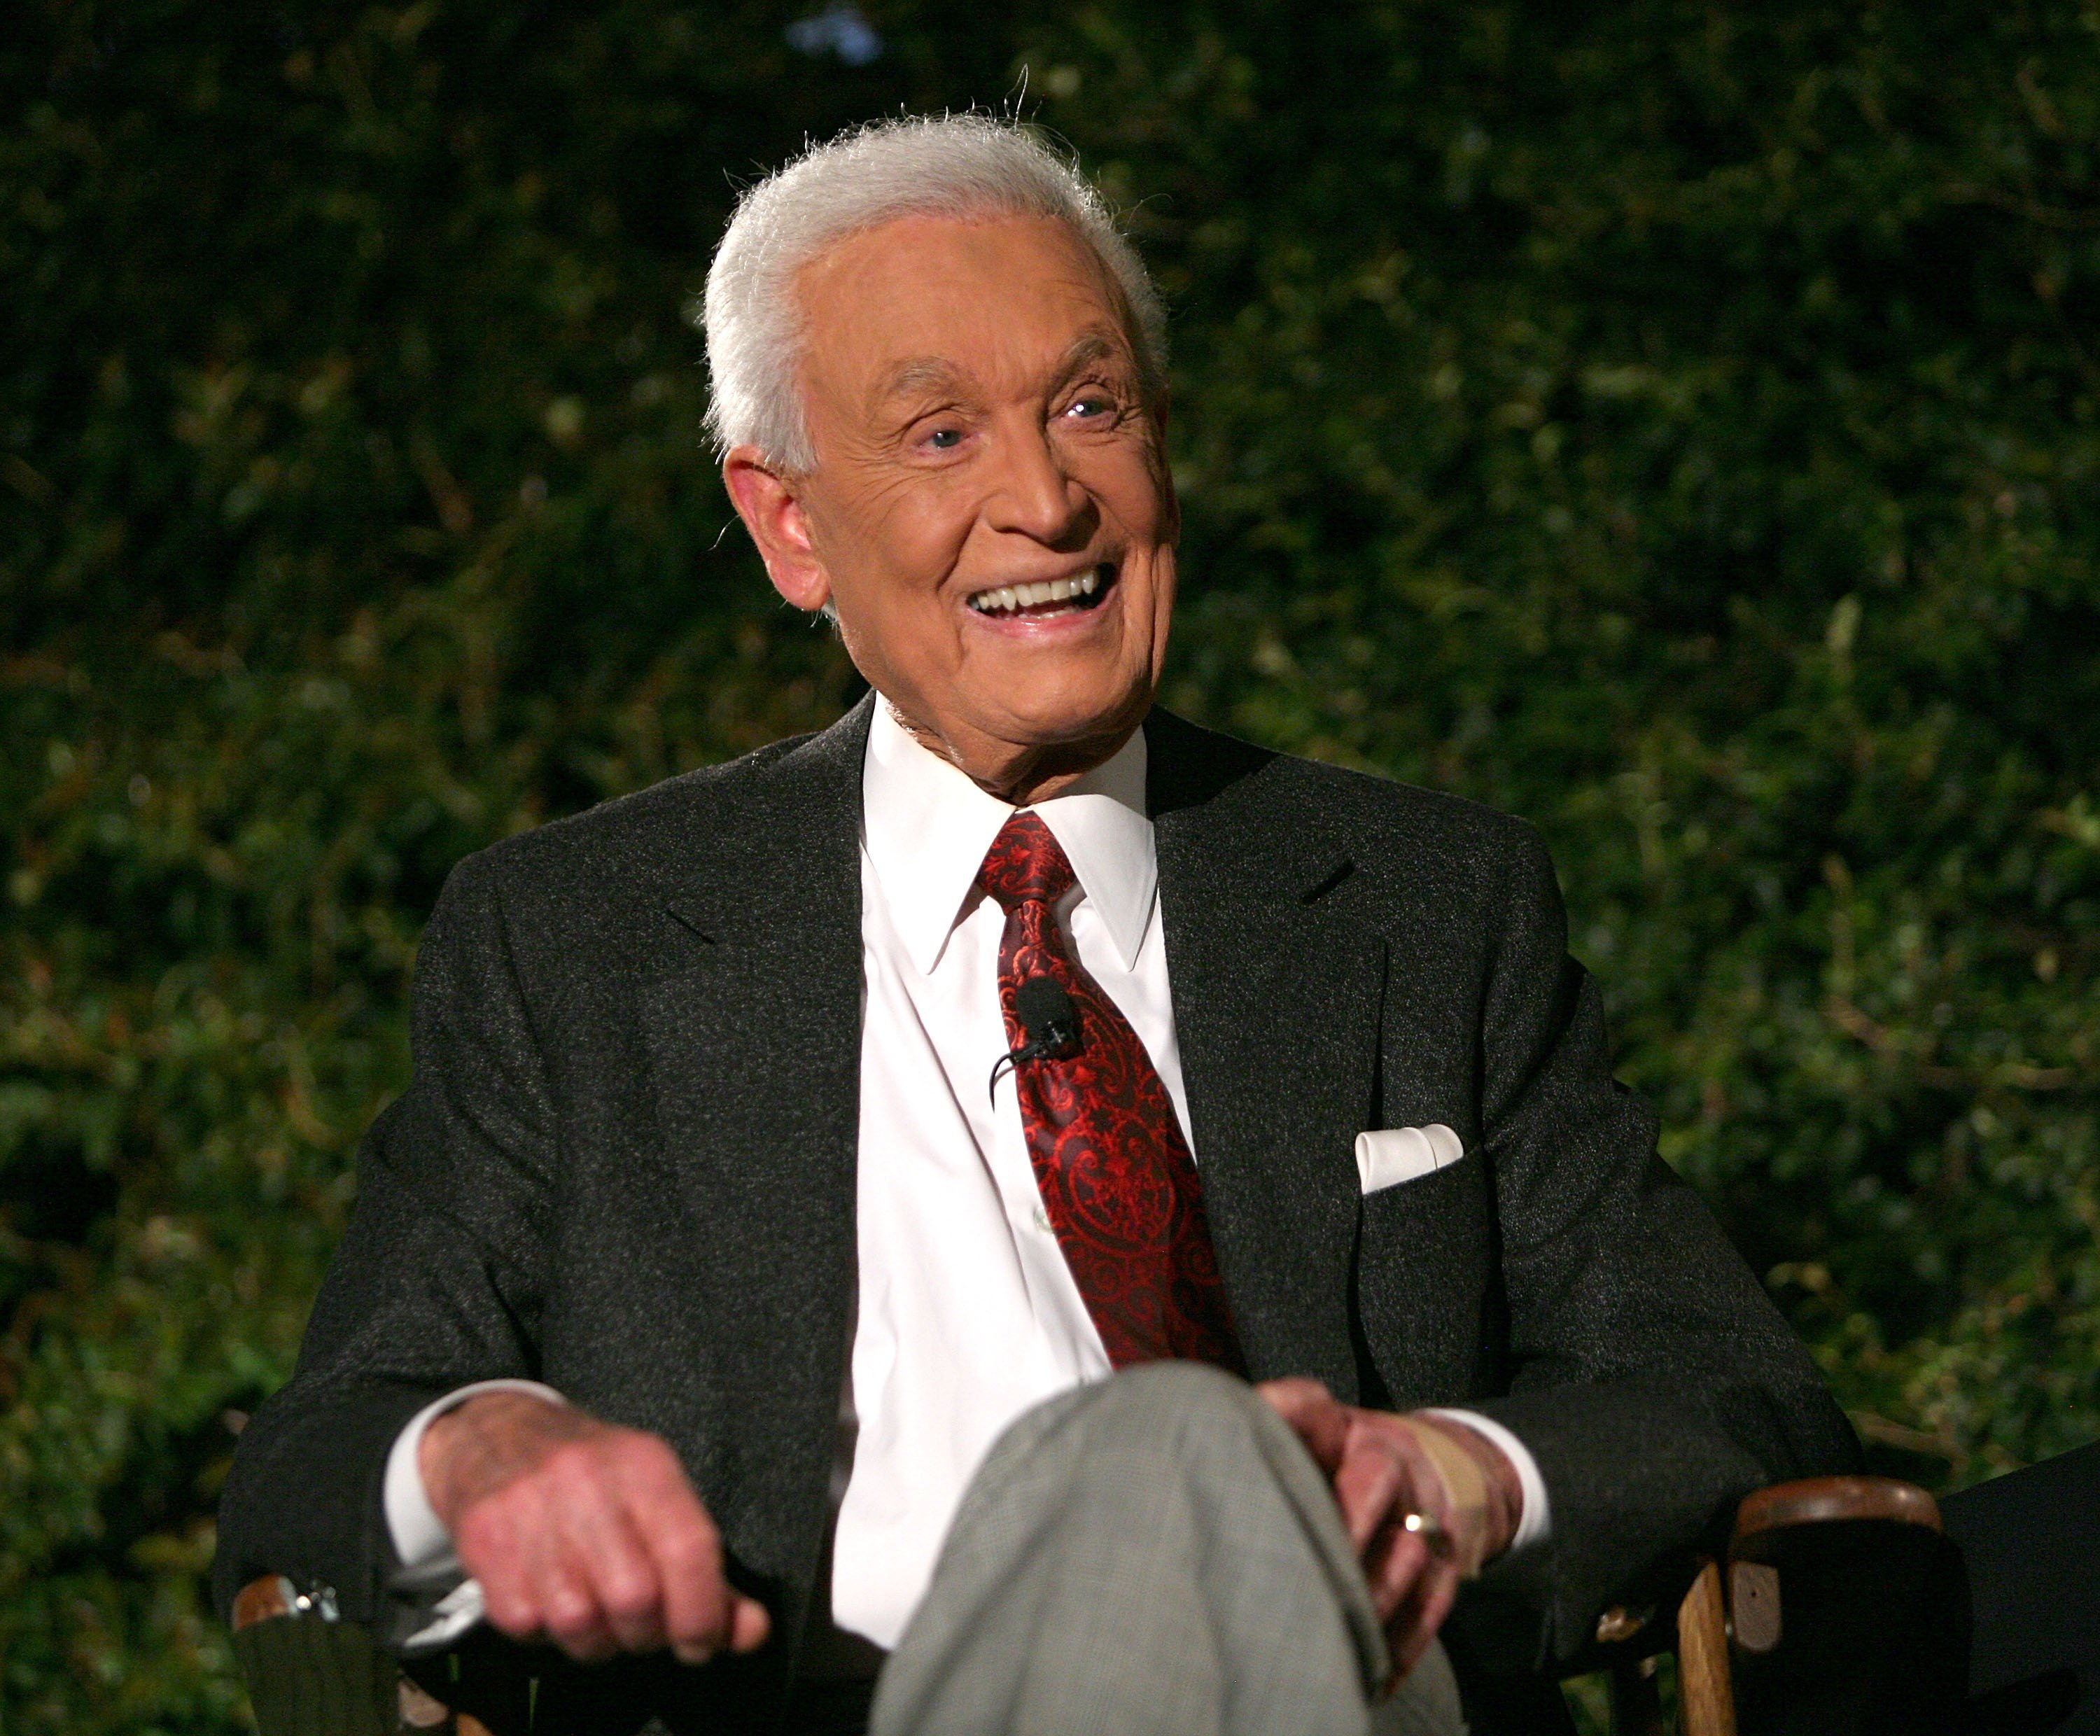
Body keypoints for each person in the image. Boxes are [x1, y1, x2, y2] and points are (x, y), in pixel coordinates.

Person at [214, 115, 1858, 1736]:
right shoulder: (575, 942)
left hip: (1348, 1689)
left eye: (1090, 407)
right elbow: (308, 1457)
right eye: (939, 436)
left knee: (1180, 1454)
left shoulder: (1429, 902)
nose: (1048, 502)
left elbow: (1732, 1384)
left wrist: (1462, 1467)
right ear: (791, 526)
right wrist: (483, 1446)